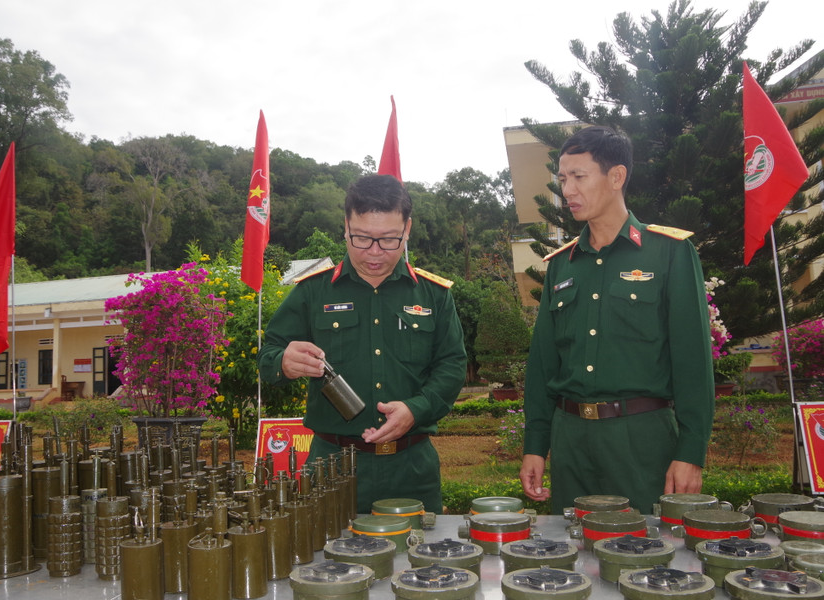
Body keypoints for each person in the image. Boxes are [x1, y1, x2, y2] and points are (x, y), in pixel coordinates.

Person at [518, 125, 714, 515]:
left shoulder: (669, 254)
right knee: (571, 562)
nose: (567, 190)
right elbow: (543, 364)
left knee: (649, 560)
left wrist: (691, 452)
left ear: (616, 177)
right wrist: (536, 445)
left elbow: (692, 360)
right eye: (561, 179)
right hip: (571, 440)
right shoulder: (562, 265)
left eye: (578, 177)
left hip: (641, 440)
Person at [258, 174, 467, 514]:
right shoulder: (313, 291)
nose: (374, 253)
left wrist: (417, 408)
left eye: (388, 240)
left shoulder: (434, 294)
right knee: (327, 564)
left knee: (418, 564)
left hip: (411, 468)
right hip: (333, 467)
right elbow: (268, 355)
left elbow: (452, 365)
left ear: (407, 229)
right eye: (362, 239)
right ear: (345, 226)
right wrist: (283, 360)